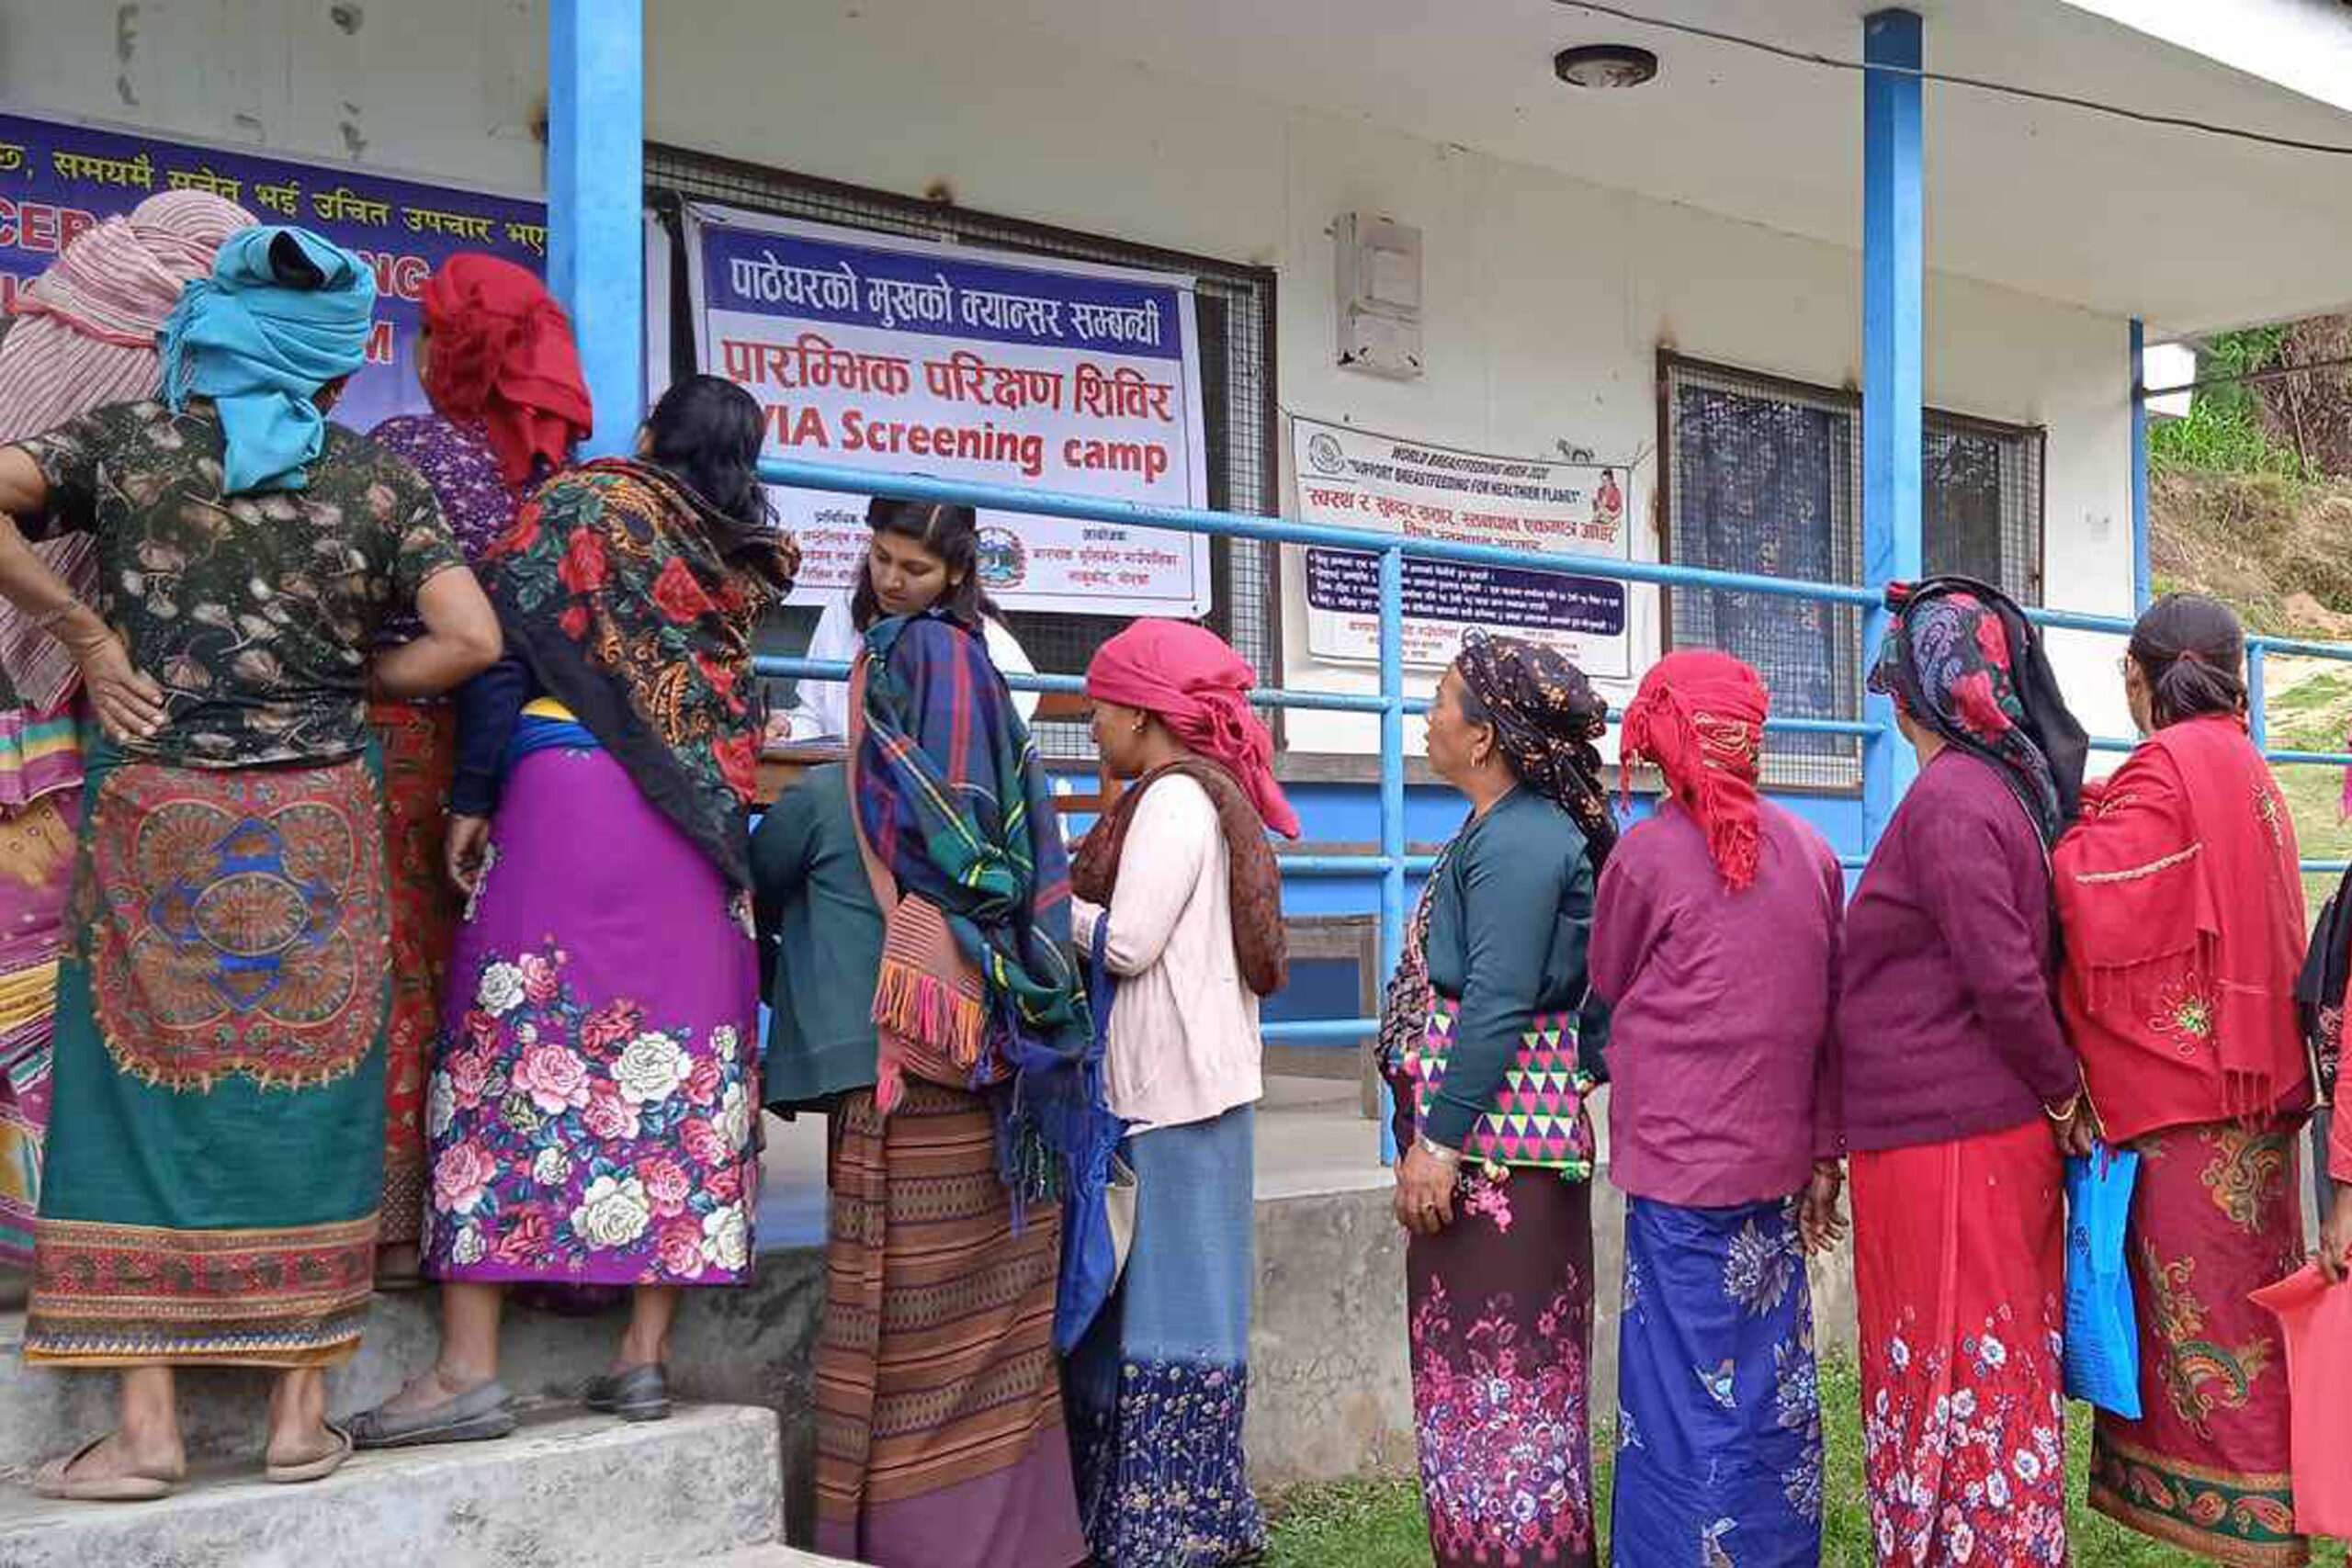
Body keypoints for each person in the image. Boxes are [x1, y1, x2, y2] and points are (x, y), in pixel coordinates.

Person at [0, 225, 500, 1497]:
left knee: (136, 1091)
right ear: (334, 374)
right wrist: (356, 673)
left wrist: (85, 633)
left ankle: (150, 1433)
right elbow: (470, 635)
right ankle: (295, 1419)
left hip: (155, 803)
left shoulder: (126, 444)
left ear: (207, 336)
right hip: (318, 813)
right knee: (310, 1087)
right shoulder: (375, 484)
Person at [348, 375, 793, 1448]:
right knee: (681, 1065)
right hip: (699, 824)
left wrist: (469, 799)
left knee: (511, 1046)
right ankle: (641, 1363)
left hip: (567, 794)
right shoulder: (741, 555)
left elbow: (503, 651)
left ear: (649, 435)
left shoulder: (585, 506)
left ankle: (465, 1371)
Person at [763, 601, 1100, 1568]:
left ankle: (905, 1542)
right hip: (1011, 1118)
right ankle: (1023, 1542)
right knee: (999, 1348)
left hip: (896, 1103)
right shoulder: (1022, 807)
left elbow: (757, 871)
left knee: (897, 1342)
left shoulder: (838, 799)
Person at [0, 189, 254, 1271]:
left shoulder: (38, 331)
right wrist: (88, 636)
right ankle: (56, 1235)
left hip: (45, 711)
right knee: (48, 977)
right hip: (61, 723)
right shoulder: (162, 369)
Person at [2052, 593, 2315, 1565]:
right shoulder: (2246, 761)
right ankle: (2278, 1515)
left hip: (2190, 1110)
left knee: (2213, 1346)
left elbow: (2093, 897)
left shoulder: (2164, 766)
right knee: (2251, 1321)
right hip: (2255, 1099)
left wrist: (2055, 820)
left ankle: (2258, 1537)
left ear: (2139, 678)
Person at [1838, 579, 2091, 1568]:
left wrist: (2062, 1088)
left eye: (1897, 684)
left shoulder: (1950, 803)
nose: (1890, 701)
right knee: (1973, 1357)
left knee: (1954, 1362)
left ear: (1925, 696)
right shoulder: (1998, 793)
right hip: (1960, 1135)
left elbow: (2004, 977)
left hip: (1947, 1139)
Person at [362, 252, 592, 1289]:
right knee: (501, 983)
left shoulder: (397, 452)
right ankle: (498, 1227)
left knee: (397, 970)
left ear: (443, 350)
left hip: (406, 744)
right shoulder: (567, 486)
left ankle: (394, 1231)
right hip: (531, 765)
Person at [1589, 649, 1843, 1568]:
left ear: (1660, 743)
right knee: (1771, 1392)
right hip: (1772, 1171)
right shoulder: (1814, 855)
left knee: (1676, 1400)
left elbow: (1608, 978)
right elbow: (1828, 1023)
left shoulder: (1646, 856)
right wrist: (1824, 1157)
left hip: (1676, 1178)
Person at [1063, 619, 1299, 1568]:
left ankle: (1172, 1530)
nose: (1091, 727)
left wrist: (1040, 903)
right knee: (1177, 1310)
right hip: (1191, 1085)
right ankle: (1176, 1518)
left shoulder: (1171, 804)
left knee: (1168, 1312)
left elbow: (1126, 942)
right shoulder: (1195, 793)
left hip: (1172, 1092)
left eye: (1099, 707)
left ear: (1142, 713)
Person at [1378, 632, 1614, 1568]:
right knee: (1483, 1388)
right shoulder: (1502, 827)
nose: (1426, 717)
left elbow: (1499, 1000)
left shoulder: (1519, 840)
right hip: (1489, 1163)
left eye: (1439, 700)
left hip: (1493, 1167)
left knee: (1506, 1391)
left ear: (1482, 739)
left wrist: (1437, 1141)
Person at [774, 498, 1039, 739]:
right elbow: (816, 718)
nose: (890, 581)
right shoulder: (844, 609)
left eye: (915, 570)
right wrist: (788, 729)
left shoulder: (997, 654)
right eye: (881, 557)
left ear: (957, 570)